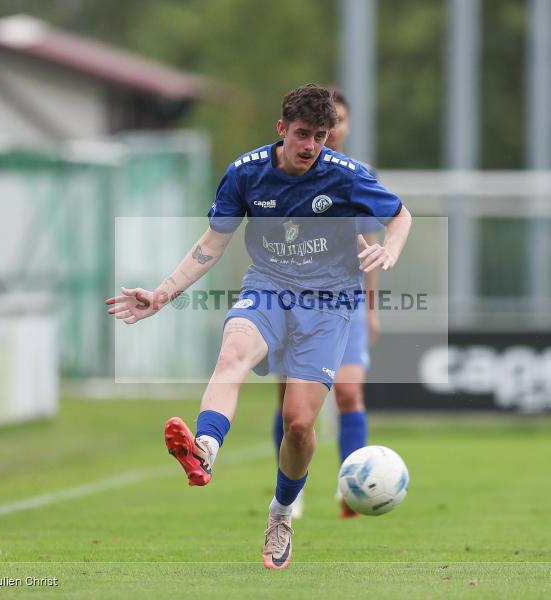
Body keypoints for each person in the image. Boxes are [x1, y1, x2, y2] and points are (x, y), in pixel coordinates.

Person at [107, 84, 411, 569]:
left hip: (328, 305)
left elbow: (400, 216)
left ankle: (281, 512)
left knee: (298, 423)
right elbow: (212, 244)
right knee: (232, 355)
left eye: (319, 135)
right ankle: (204, 448)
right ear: (281, 129)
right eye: (302, 135)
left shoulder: (345, 176)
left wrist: (389, 250)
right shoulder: (246, 174)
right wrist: (162, 294)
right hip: (267, 288)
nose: (311, 145)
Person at [272, 87, 380, 519]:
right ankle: (291, 490)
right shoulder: (283, 171)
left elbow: (369, 240)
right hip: (291, 298)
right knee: (290, 403)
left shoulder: (357, 174)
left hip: (345, 302)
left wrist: (372, 307)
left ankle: (350, 486)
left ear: (342, 128)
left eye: (335, 123)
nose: (326, 133)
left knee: (350, 392)